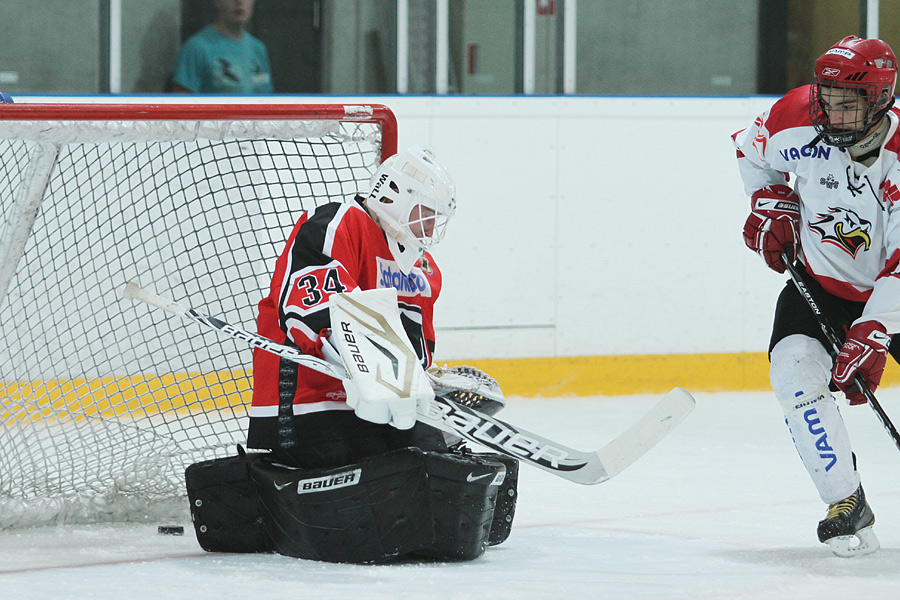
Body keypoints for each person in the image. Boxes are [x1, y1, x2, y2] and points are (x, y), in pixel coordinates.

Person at [185, 147, 518, 563]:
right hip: (310, 401)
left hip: (379, 406)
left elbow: (419, 346)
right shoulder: (339, 222)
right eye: (425, 212)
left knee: (435, 469)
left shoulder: (425, 268)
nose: (430, 226)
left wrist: (421, 386)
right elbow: (307, 308)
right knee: (387, 476)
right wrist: (366, 370)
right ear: (394, 194)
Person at [732, 35, 900, 557]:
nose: (831, 111)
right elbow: (747, 146)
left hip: (889, 289)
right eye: (826, 96)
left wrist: (876, 330)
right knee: (793, 368)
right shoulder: (795, 119)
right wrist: (770, 199)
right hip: (822, 286)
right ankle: (845, 499)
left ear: (881, 99)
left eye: (848, 102)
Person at [172, 0, 273, 94]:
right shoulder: (196, 48)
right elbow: (180, 107)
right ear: (217, 2)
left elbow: (267, 101)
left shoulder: (258, 49)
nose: (239, 2)